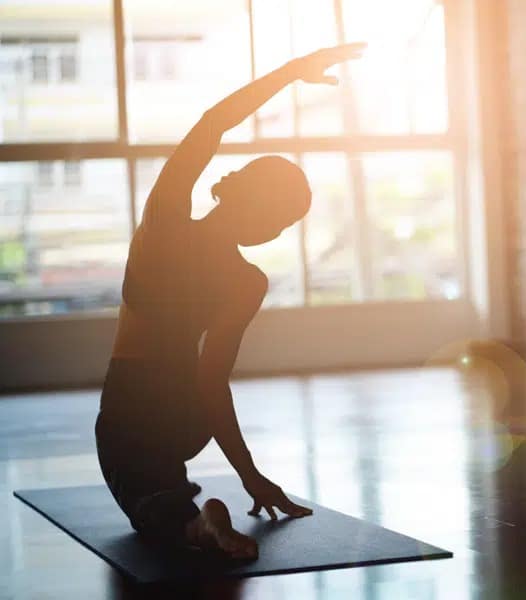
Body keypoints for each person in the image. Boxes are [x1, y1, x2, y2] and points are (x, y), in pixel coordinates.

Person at [94, 43, 366, 560]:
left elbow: (212, 124)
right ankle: (190, 507)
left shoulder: (163, 225)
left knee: (146, 510)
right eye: (282, 221)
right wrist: (250, 476)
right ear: (265, 223)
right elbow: (211, 384)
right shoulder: (247, 281)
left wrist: (289, 71)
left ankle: (194, 523)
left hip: (129, 405)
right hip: (186, 418)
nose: (277, 229)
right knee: (162, 477)